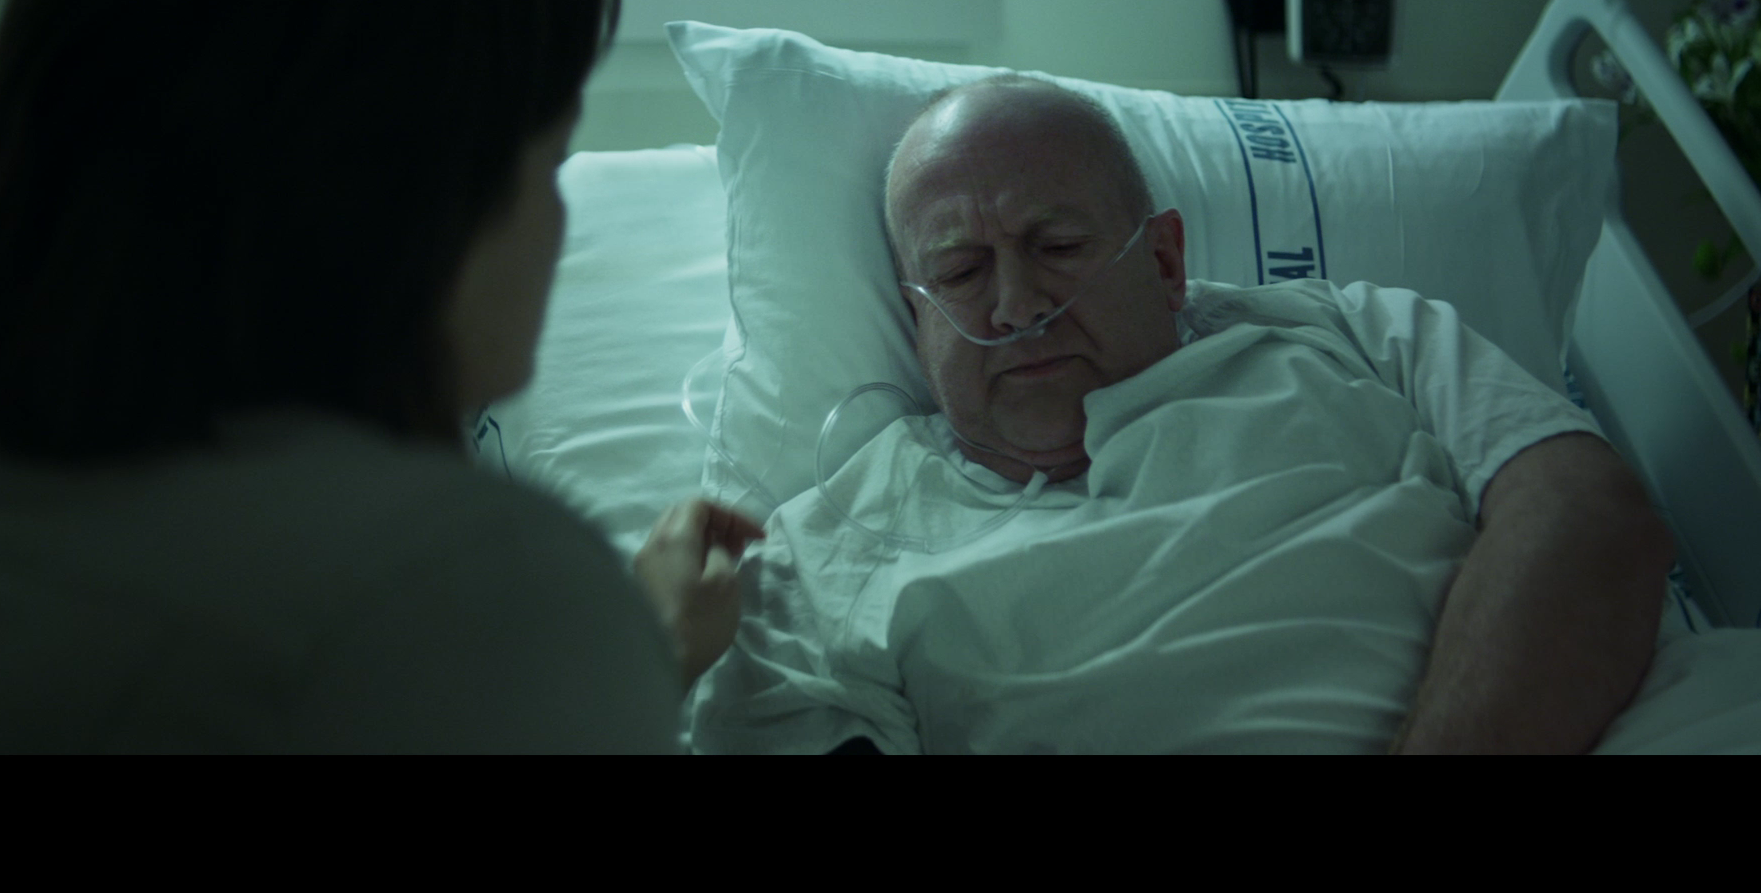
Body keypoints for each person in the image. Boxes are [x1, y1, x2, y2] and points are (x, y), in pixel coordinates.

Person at [0, 0, 760, 753]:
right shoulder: (482, 586)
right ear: (418, 204)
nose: (561, 221)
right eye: (552, 159)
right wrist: (620, 650)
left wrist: (648, 646)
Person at [689, 74, 1686, 755]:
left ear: (1166, 262)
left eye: (1058, 247)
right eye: (959, 272)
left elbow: (1591, 517)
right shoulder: (827, 555)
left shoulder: (1356, 331)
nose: (1018, 306)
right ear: (915, 325)